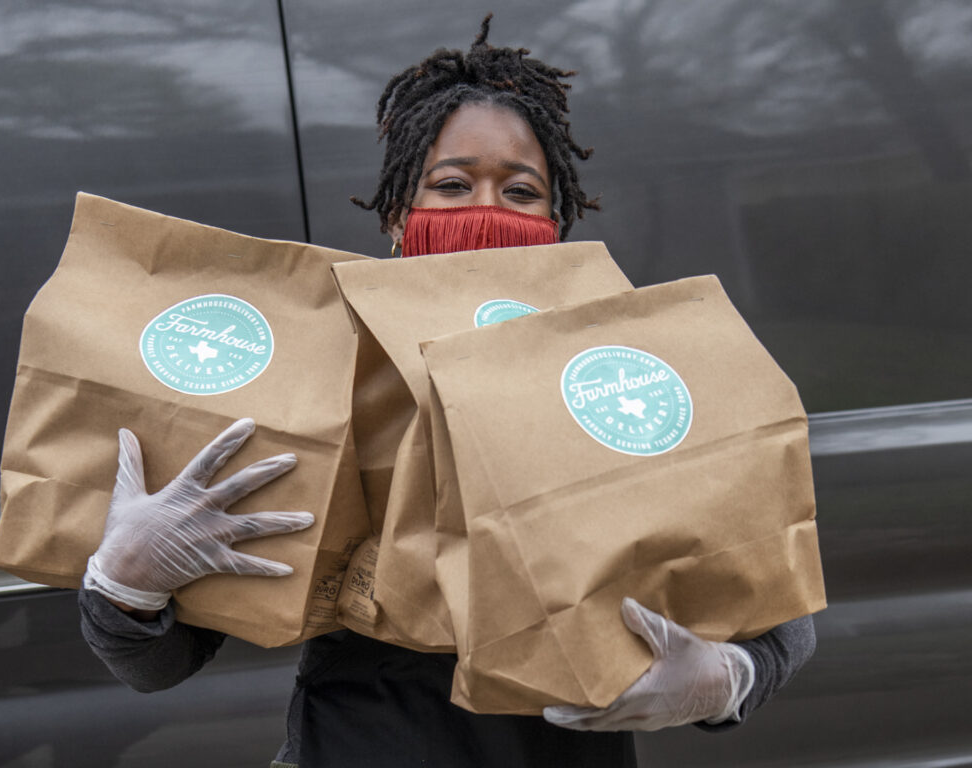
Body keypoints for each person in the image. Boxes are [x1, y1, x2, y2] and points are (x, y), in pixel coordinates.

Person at [79, 16, 816, 768]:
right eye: (453, 184)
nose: (485, 211)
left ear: (556, 225)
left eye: (520, 190)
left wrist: (727, 680)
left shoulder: (619, 369)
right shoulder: (323, 370)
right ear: (399, 216)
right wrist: (126, 587)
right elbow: (160, 664)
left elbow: (770, 598)